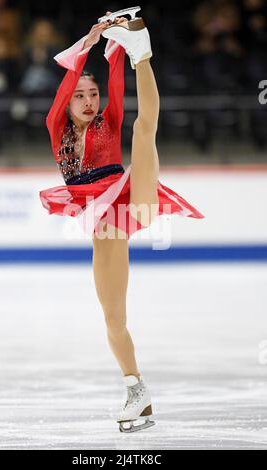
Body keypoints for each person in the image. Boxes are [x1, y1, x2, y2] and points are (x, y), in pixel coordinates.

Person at [39, 8, 205, 432]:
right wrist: (92, 41)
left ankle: (142, 52)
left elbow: (115, 84)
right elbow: (66, 85)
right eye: (82, 95)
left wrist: (119, 49)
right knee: (113, 317)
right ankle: (136, 390)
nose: (89, 101)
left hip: (134, 197)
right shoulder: (57, 126)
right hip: (106, 224)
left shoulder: (106, 120)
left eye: (93, 94)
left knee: (142, 129)